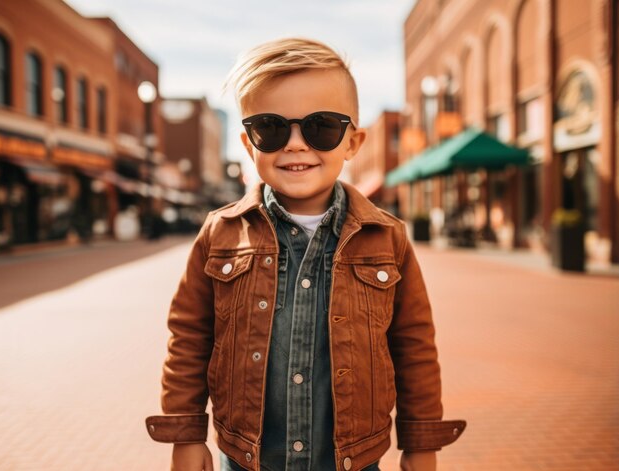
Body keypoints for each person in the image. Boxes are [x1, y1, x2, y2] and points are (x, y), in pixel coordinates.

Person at [145, 37, 466, 471]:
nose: (295, 144)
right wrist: (184, 435)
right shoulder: (220, 233)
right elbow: (189, 338)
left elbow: (414, 347)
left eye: (321, 127)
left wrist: (422, 443)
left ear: (353, 142)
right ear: (247, 144)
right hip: (247, 458)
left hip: (353, 458)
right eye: (271, 128)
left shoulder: (388, 238)